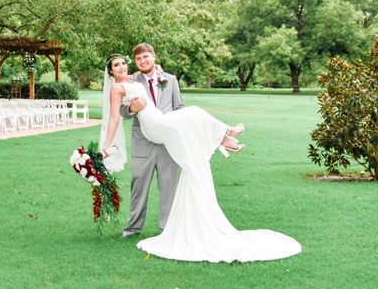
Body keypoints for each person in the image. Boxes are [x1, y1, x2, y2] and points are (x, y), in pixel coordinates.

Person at [100, 51, 302, 262]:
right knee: (193, 115)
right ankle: (225, 134)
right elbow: (116, 116)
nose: (123, 66)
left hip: (163, 123)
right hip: (152, 127)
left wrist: (149, 74)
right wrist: (107, 144)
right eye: (117, 65)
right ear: (111, 71)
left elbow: (171, 100)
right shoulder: (117, 87)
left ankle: (223, 137)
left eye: (124, 63)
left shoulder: (145, 78)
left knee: (191, 120)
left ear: (152, 57)